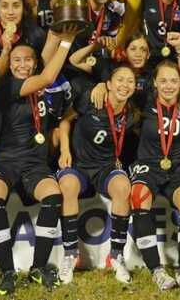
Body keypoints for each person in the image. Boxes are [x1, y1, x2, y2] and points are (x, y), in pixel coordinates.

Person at [0, 25, 81, 294]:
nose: (23, 64)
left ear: (35, 62)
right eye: (17, 60)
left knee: (53, 197)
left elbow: (59, 115)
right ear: (9, 64)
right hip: (6, 161)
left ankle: (38, 267)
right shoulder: (7, 86)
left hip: (35, 164)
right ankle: (7, 272)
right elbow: (48, 77)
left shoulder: (41, 93)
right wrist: (65, 42)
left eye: (28, 60)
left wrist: (62, 143)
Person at [127, 61, 180, 295]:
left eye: (173, 80)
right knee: (139, 197)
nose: (168, 86)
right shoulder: (143, 102)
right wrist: (101, 86)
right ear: (154, 83)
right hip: (148, 166)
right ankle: (157, 271)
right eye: (163, 80)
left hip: (178, 167)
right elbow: (120, 90)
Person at [56, 66, 138, 284]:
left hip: (106, 167)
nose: (125, 85)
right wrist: (64, 149)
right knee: (67, 186)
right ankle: (71, 254)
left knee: (123, 186)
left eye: (130, 81)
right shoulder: (91, 99)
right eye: (120, 80)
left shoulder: (133, 114)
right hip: (80, 164)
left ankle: (117, 256)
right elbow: (65, 121)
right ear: (108, 84)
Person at [65, 0, 125, 83]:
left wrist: (106, 43)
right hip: (71, 65)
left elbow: (110, 46)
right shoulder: (75, 8)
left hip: (95, 65)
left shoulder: (114, 16)